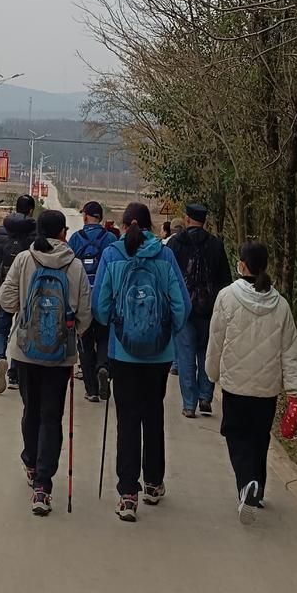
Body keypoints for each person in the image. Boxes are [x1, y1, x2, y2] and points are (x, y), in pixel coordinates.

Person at [92, 202, 190, 522]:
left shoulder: (112, 255)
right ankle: (153, 483)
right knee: (153, 413)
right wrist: (169, 332)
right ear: (150, 226)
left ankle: (127, 494)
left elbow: (100, 308)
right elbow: (182, 305)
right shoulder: (165, 256)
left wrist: (116, 325)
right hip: (159, 354)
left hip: (123, 353)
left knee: (128, 419)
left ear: (124, 225)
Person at [0, 208, 92, 516]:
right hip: (61, 355)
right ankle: (43, 485)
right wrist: (71, 334)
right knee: (52, 416)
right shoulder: (75, 265)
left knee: (31, 410)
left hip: (25, 351)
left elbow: (6, 301)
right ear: (64, 233)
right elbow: (85, 314)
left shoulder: (25, 259)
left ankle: (30, 461)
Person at [206, 240, 297, 524]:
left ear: (243, 265)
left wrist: (211, 373)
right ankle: (257, 490)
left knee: (237, 435)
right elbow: (290, 350)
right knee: (260, 437)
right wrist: (294, 391)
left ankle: (246, 484)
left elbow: (216, 339)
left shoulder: (227, 297)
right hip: (267, 388)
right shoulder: (281, 305)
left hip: (235, 384)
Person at [169, 202, 232, 417]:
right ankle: (205, 396)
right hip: (210, 310)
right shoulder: (216, 245)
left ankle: (189, 404)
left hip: (183, 310)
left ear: (187, 219)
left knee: (185, 356)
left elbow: (168, 276)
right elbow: (225, 280)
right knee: (207, 353)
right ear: (204, 221)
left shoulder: (175, 243)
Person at [68, 201, 116, 402]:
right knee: (104, 337)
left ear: (86, 216)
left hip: (83, 298)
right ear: (101, 218)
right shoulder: (110, 238)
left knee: (85, 341)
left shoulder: (75, 238)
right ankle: (103, 367)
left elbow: (69, 269)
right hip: (104, 297)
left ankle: (92, 390)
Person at [0, 194, 37, 393]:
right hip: (28, 289)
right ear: (31, 210)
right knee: (21, 328)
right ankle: (14, 374)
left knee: (1, 328)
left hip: (5, 287)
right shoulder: (35, 233)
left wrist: (0, 281)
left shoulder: (0, 231)